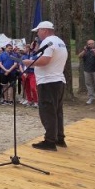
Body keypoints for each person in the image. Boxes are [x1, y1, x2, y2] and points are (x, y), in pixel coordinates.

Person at [24, 21, 68, 151]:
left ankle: (50, 141)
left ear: (44, 30)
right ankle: (59, 138)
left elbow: (45, 60)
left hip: (48, 81)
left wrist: (30, 63)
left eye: (38, 31)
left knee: (47, 111)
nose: (37, 34)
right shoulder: (60, 42)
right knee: (57, 111)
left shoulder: (48, 41)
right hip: (58, 79)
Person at [78, 40, 95, 106]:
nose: (90, 45)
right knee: (89, 84)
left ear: (94, 44)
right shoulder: (85, 51)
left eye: (92, 44)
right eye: (89, 44)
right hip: (87, 70)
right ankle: (91, 97)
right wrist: (84, 50)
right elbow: (79, 56)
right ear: (87, 45)